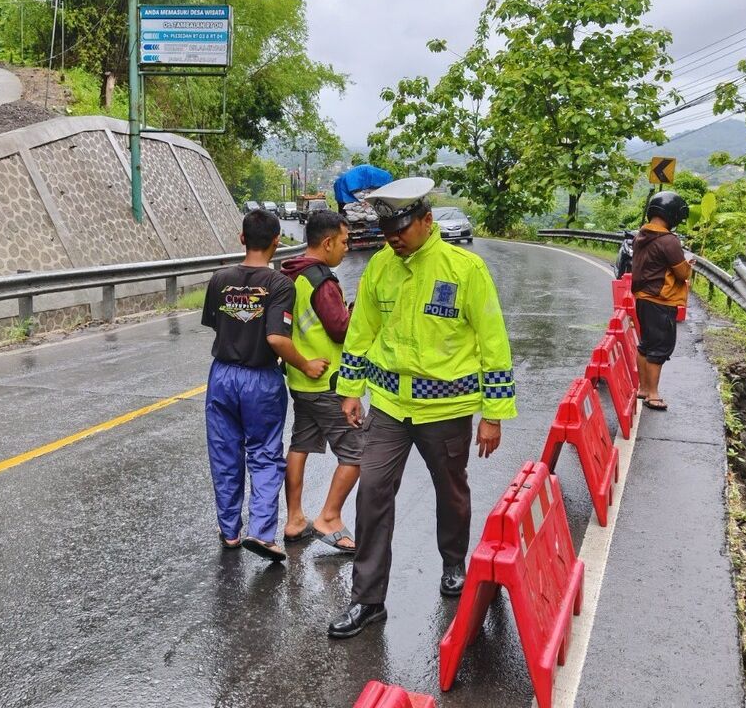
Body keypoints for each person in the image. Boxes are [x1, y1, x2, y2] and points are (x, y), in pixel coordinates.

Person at [326, 178, 517, 639]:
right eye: (387, 230)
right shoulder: (380, 268)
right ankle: (368, 599)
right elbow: (361, 334)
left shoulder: (464, 269)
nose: (393, 238)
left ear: (426, 221)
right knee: (372, 493)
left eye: (401, 229)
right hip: (390, 407)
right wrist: (350, 389)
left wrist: (493, 413)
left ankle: (453, 562)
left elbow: (494, 343)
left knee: (451, 492)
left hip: (446, 409)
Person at [201, 208, 328, 563]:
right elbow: (276, 337)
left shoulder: (219, 278)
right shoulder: (279, 285)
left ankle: (229, 532)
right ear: (276, 242)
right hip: (260, 378)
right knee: (265, 453)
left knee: (224, 454)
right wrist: (305, 363)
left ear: (242, 238)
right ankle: (260, 532)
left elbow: (216, 323)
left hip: (222, 375)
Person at [279, 210, 359, 553]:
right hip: (328, 381)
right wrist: (355, 314)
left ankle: (295, 518)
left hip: (301, 380)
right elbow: (340, 329)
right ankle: (330, 516)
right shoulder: (322, 281)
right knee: (359, 452)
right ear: (327, 242)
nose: (346, 248)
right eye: (343, 241)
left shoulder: (292, 274)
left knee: (300, 446)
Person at [630, 191, 692, 412]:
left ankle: (644, 389)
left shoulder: (641, 235)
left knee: (646, 344)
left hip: (643, 298)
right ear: (672, 214)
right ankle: (653, 394)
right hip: (661, 300)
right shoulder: (668, 241)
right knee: (659, 347)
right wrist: (689, 265)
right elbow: (682, 273)